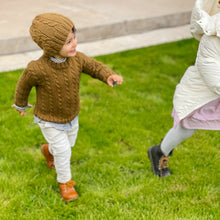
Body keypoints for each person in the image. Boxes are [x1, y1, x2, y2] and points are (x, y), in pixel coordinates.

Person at [12, 13, 123, 201]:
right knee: (64, 151)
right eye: (68, 42)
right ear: (52, 46)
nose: (74, 44)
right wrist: (21, 104)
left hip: (72, 115)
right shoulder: (37, 68)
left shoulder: (77, 59)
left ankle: (48, 150)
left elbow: (94, 67)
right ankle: (65, 183)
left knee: (68, 145)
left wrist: (107, 75)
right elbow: (23, 86)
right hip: (49, 119)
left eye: (73, 38)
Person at [147, 0, 220, 177]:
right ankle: (160, 151)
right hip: (205, 94)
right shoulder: (212, 39)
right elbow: (211, 74)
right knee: (187, 126)